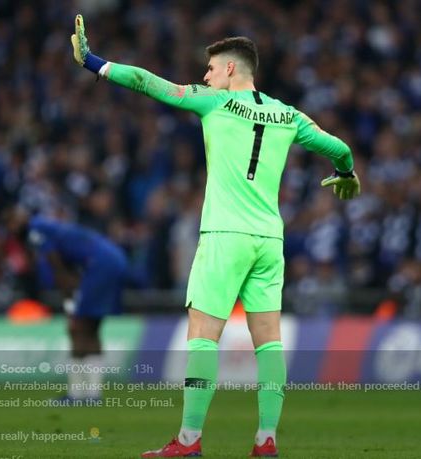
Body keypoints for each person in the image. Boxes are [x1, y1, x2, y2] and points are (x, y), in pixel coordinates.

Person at [71, 15, 361, 457]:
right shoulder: (289, 115)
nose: (204, 76)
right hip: (269, 241)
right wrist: (345, 174)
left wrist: (95, 62)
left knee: (203, 337)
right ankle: (266, 439)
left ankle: (189, 440)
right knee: (270, 342)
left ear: (229, 69)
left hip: (225, 235)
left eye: (210, 69)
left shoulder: (215, 102)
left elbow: (150, 83)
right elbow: (339, 148)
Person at [14, 209, 129, 403]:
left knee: (77, 328)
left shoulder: (36, 229)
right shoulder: (52, 228)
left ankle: (77, 394)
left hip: (100, 264)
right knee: (91, 329)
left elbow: (58, 269)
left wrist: (70, 304)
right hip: (113, 259)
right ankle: (92, 394)